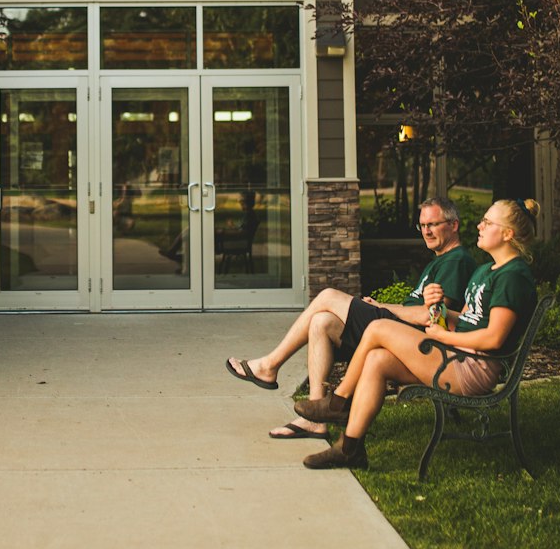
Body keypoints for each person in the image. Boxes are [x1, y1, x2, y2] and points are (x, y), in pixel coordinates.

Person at [294, 198, 540, 470]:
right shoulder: (486, 271)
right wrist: (436, 308)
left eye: (488, 222)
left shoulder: (512, 277)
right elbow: (466, 319)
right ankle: (350, 449)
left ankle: (338, 404)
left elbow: (492, 338)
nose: (480, 225)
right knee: (377, 359)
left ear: (508, 234)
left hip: (472, 369)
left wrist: (443, 337)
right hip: (456, 357)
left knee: (377, 328)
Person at [225, 197, 476, 440]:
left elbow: (430, 316)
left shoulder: (457, 260)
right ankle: (315, 420)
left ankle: (269, 366)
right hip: (399, 328)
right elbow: (421, 307)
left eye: (433, 224)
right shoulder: (440, 260)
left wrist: (382, 307)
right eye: (422, 225)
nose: (426, 231)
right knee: (321, 321)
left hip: (409, 339)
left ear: (453, 225)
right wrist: (383, 307)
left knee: (327, 296)